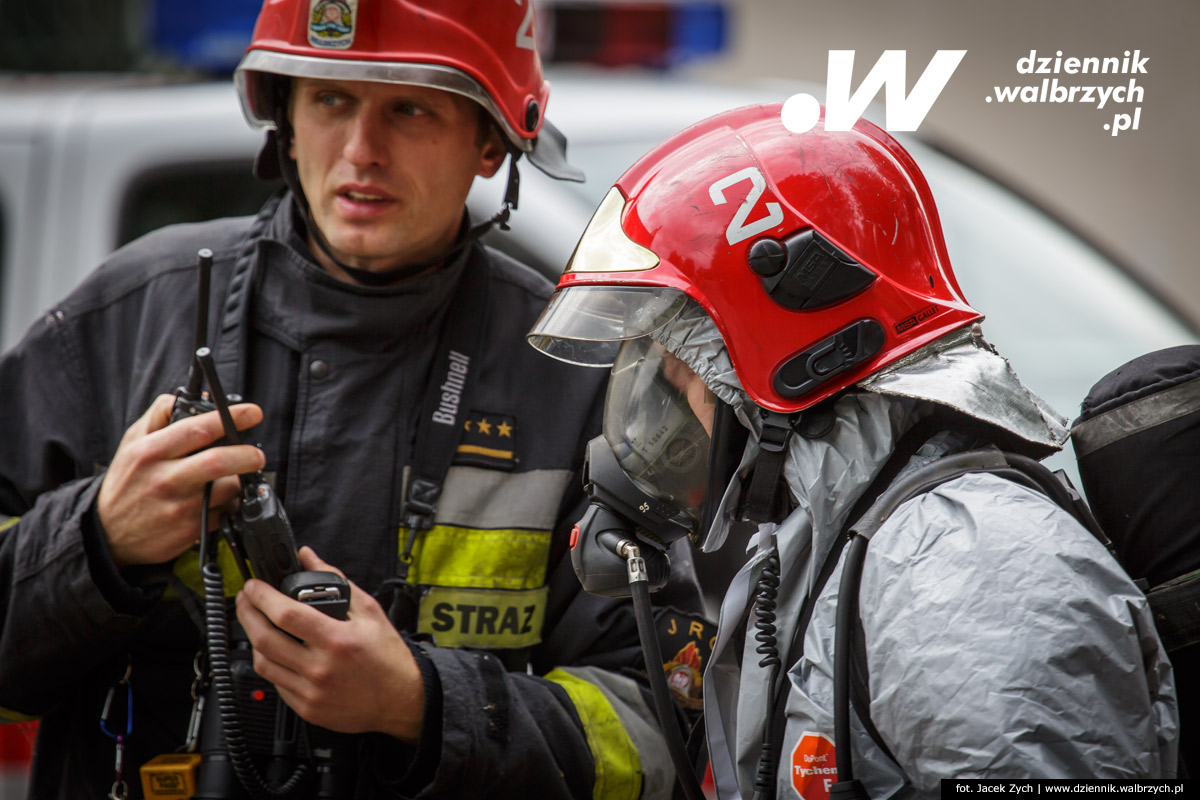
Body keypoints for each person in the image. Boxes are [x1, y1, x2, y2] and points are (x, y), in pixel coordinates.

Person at [0, 1, 707, 797]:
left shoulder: (574, 381)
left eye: (410, 108)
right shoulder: (125, 320)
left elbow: (658, 729)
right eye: (332, 100)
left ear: (489, 143)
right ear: (287, 123)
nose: (362, 151)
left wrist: (422, 703)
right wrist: (95, 543)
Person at [528, 104, 1178, 797]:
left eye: (681, 362)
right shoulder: (828, 536)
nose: (669, 400)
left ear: (788, 358)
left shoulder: (962, 568)